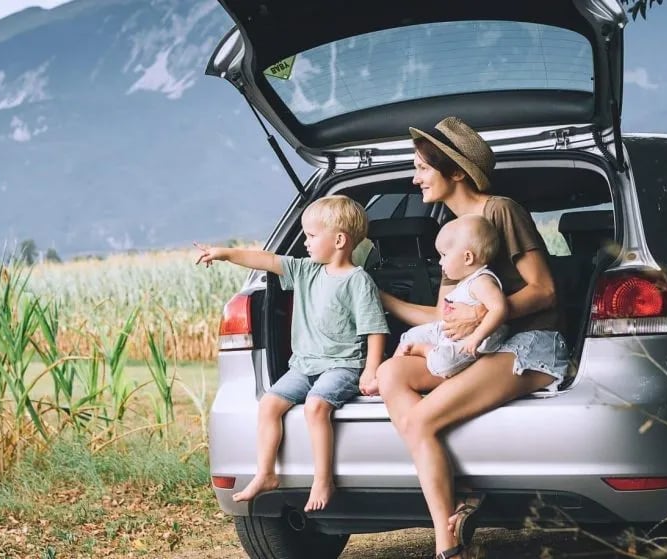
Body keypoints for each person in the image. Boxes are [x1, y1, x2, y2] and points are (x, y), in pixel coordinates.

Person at [375, 117, 568, 559]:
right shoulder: (451, 226)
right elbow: (446, 316)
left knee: (420, 421)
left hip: (527, 346)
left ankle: (448, 546)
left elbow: (545, 290)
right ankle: (458, 493)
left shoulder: (500, 210)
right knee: (391, 373)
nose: (414, 177)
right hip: (479, 347)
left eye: (423, 167)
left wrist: (483, 311)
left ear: (456, 171)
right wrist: (379, 298)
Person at [194, 195, 389, 512]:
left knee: (316, 406)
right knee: (269, 403)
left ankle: (323, 479)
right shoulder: (305, 271)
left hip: (342, 366)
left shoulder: (358, 281)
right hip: (303, 366)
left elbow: (375, 328)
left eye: (311, 236)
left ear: (339, 240)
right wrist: (225, 253)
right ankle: (266, 474)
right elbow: (266, 260)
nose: (306, 243)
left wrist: (370, 370)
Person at [395, 215, 509, 379]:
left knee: (442, 364)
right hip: (448, 332)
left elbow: (499, 308)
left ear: (467, 258)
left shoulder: (481, 281)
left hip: (470, 340)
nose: (440, 262)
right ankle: (384, 375)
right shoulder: (465, 280)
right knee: (410, 335)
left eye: (444, 255)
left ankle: (424, 350)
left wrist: (477, 336)